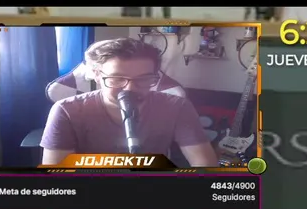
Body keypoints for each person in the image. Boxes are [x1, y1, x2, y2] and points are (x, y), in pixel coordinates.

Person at [40, 37, 218, 167]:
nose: (130, 89)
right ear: (97, 75)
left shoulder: (177, 106)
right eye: (117, 78)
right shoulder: (66, 110)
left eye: (144, 79)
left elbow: (205, 164)